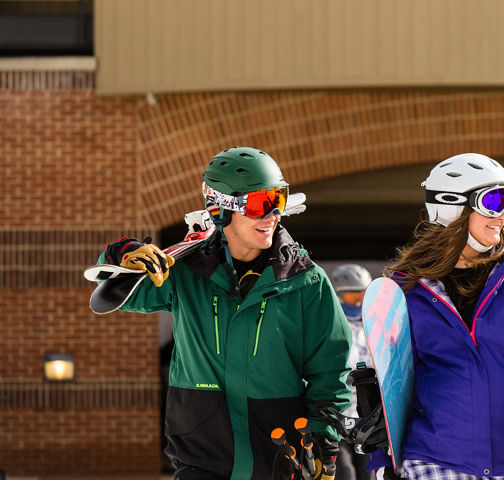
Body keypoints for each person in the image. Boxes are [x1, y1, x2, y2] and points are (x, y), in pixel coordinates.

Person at [97, 147, 352, 480]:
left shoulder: (305, 281)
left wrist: (322, 443)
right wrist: (122, 253)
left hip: (281, 460)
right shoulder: (186, 272)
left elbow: (332, 370)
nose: (273, 214)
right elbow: (117, 292)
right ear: (221, 210)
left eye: (279, 199)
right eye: (261, 203)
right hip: (202, 460)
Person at [387, 153, 504, 480]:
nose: (503, 214)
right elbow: (391, 384)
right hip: (435, 458)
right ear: (452, 208)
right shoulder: (409, 290)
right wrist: (379, 459)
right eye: (492, 201)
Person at [329, 264, 376, 480]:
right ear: (338, 297)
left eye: (362, 296)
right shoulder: (330, 326)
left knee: (370, 474)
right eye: (351, 296)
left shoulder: (376, 327)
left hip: (369, 419)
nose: (358, 302)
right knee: (344, 473)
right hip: (339, 418)